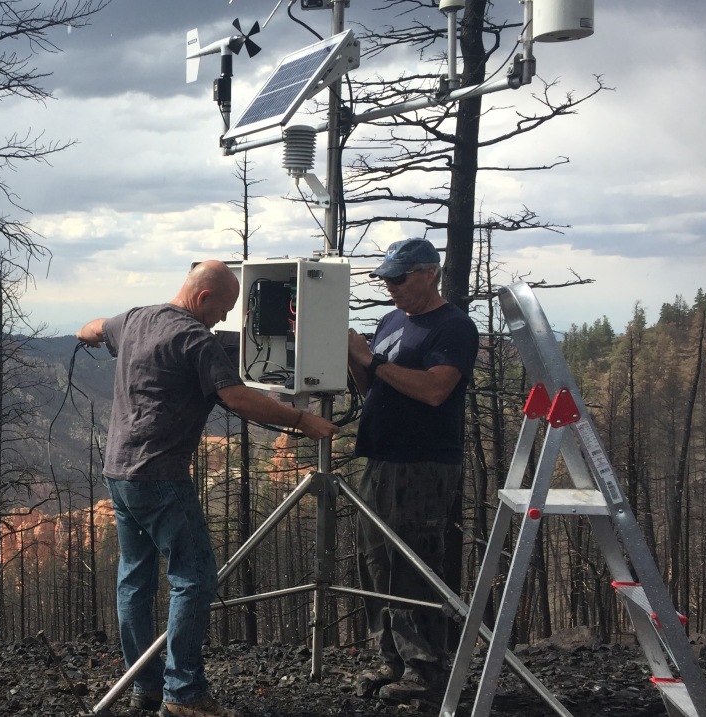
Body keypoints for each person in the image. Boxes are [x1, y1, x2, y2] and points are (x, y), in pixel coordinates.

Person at [77, 260, 339, 717]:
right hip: (160, 475)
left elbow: (91, 327)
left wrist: (92, 336)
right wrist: (302, 420)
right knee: (194, 577)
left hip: (118, 473)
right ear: (203, 298)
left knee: (135, 581)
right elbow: (236, 396)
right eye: (224, 309)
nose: (224, 319)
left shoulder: (137, 318)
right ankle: (184, 695)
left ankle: (147, 688)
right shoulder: (196, 339)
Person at [345, 238, 478, 702]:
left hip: (423, 463)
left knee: (413, 562)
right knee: (376, 562)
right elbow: (373, 385)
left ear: (430, 273)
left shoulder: (453, 327)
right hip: (382, 457)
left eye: (398, 278)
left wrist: (371, 359)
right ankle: (393, 658)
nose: (390, 287)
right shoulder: (390, 321)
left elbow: (436, 390)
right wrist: (353, 358)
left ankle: (425, 668)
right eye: (385, 278)